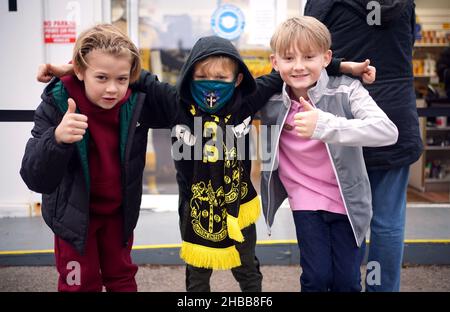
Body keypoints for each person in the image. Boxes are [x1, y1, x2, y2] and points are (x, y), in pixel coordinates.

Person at [36, 35, 374, 292]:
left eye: (221, 78)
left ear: (238, 79)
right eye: (202, 77)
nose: (211, 86)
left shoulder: (247, 100)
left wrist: (344, 66)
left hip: (238, 205)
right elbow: (136, 75)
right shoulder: (176, 103)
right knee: (197, 270)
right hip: (193, 206)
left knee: (247, 267)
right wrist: (72, 68)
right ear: (188, 77)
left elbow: (291, 68)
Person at [20, 24, 169, 292]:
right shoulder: (56, 103)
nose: (112, 89)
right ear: (79, 71)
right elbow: (34, 177)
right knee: (80, 285)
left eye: (122, 79)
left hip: (118, 216)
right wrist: (57, 139)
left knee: (122, 279)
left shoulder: (136, 102)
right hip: (74, 219)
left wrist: (133, 75)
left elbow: (176, 106)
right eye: (101, 78)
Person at [259, 16, 398, 292]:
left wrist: (325, 125)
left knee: (347, 282)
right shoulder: (269, 98)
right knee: (316, 278)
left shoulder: (347, 89)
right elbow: (230, 105)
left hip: (347, 201)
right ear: (275, 63)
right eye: (288, 58)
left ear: (326, 58)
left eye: (309, 56)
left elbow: (387, 131)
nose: (298, 66)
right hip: (304, 199)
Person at [305, 0, 423, 291]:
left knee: (338, 214)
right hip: (394, 116)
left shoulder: (323, 3)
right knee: (388, 221)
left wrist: (340, 65)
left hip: (342, 115)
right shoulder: (404, 3)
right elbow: (406, 49)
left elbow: (309, 52)